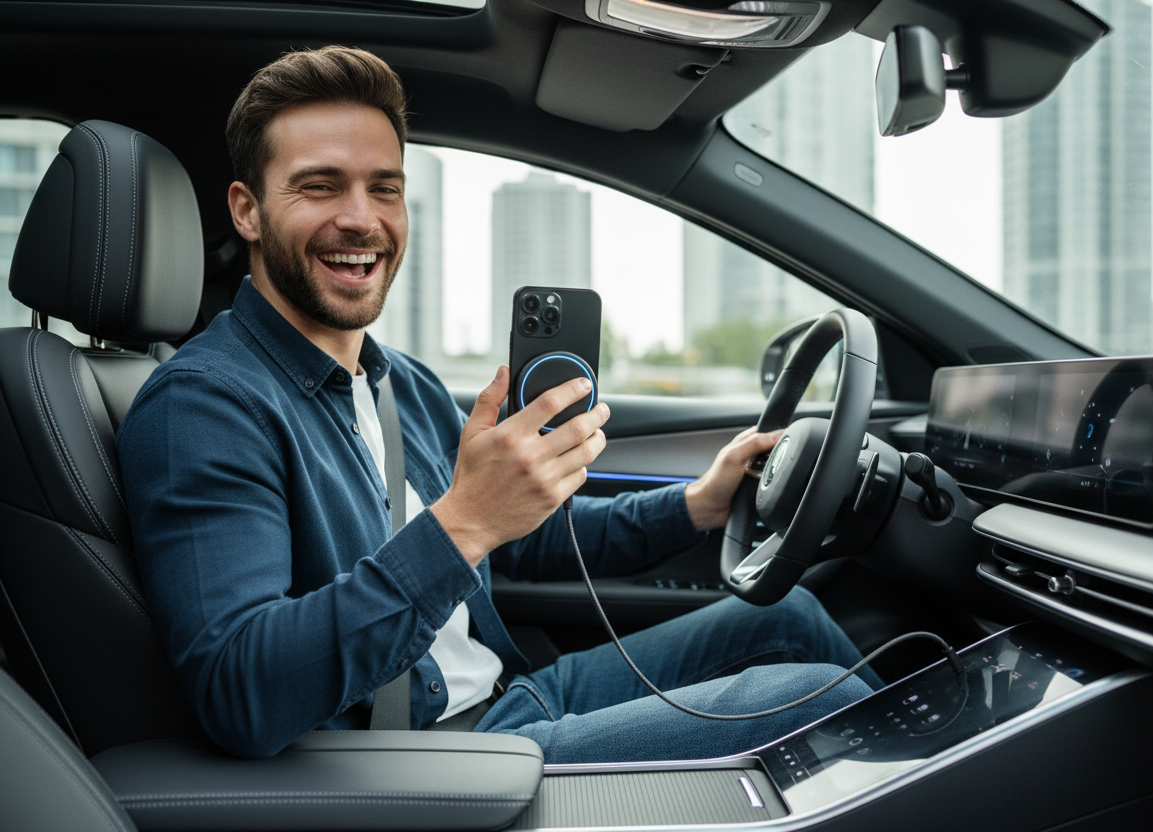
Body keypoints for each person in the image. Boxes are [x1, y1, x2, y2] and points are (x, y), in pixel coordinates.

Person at [117, 45, 882, 763]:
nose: (362, 218)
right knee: (828, 697)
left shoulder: (399, 383)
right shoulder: (203, 407)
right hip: (418, 763)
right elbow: (242, 691)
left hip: (509, 699)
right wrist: (465, 522)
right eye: (320, 186)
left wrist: (699, 504)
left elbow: (524, 541)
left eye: (385, 187)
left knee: (790, 621)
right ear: (248, 211)